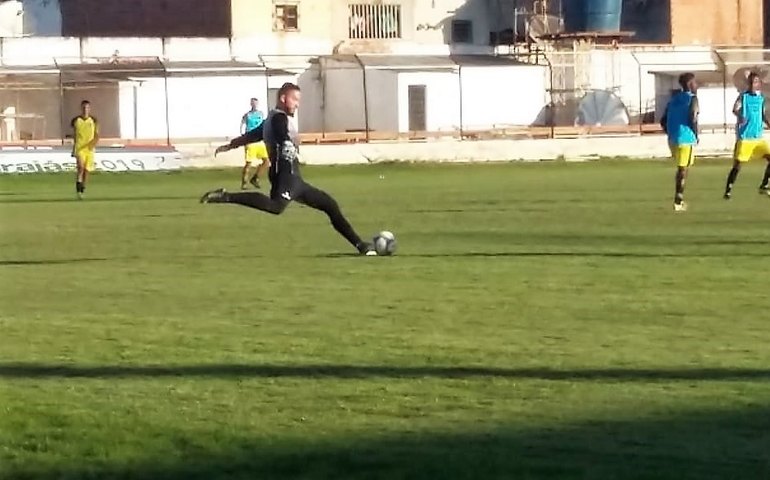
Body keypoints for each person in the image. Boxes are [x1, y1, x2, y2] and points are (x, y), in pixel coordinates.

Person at [200, 82, 376, 256]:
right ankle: (226, 196)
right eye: (295, 99)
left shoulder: (271, 118)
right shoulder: (279, 118)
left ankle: (361, 246)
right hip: (285, 173)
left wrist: (231, 145)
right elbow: (280, 131)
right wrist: (285, 141)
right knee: (276, 206)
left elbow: (253, 135)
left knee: (329, 205)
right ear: (283, 98)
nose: (297, 104)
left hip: (291, 176)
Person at [724, 71, 770, 199]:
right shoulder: (743, 97)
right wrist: (740, 116)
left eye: (755, 82)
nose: (753, 84)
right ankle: (728, 189)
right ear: (748, 83)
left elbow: (762, 114)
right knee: (738, 165)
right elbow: (735, 109)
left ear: (759, 84)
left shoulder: (761, 98)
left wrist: (768, 123)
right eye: (751, 82)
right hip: (745, 137)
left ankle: (764, 185)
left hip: (758, 137)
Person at [660, 72, 699, 212]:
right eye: (695, 82)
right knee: (683, 169)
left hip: (672, 139)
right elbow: (693, 117)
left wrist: (670, 132)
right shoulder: (692, 99)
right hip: (686, 137)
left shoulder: (673, 100)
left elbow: (662, 120)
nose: (697, 85)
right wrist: (695, 134)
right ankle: (678, 201)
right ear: (690, 84)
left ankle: (679, 199)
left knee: (682, 168)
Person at [71, 100, 99, 200]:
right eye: (83, 108)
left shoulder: (93, 120)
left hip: (89, 149)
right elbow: (75, 134)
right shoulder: (76, 120)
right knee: (81, 168)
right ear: (81, 108)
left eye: (87, 108)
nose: (85, 110)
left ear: (89, 109)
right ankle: (78, 191)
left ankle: (82, 188)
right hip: (80, 148)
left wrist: (93, 144)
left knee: (87, 171)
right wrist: (74, 147)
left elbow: (97, 135)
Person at [240, 98, 270, 190]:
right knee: (249, 163)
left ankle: (255, 178)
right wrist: (243, 136)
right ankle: (244, 182)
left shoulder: (261, 114)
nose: (255, 105)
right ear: (251, 104)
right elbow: (242, 125)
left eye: (256, 103)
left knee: (266, 162)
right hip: (251, 141)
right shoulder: (247, 115)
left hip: (260, 141)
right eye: (253, 103)